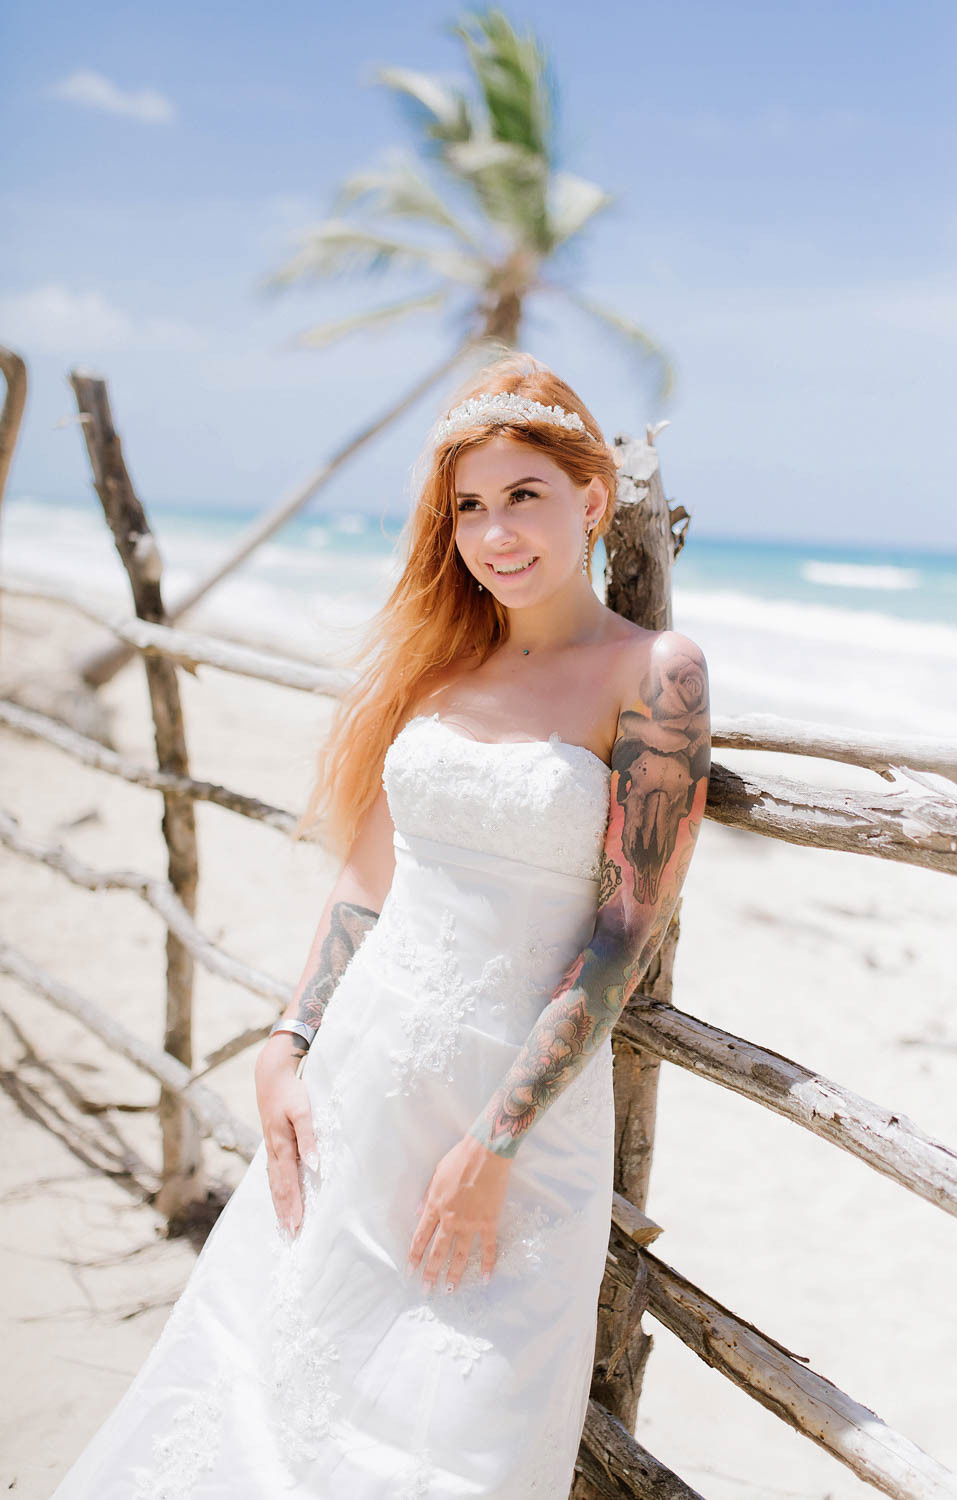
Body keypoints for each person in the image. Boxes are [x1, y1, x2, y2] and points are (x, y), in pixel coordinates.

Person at [49, 351, 710, 1499]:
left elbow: (616, 942)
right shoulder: (437, 670)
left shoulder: (653, 672)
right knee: (266, 1405)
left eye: (522, 498)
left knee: (450, 1447)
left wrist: (492, 1148)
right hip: (358, 1088)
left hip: (513, 1126)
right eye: (468, 507)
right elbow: (363, 889)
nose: (494, 534)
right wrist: (286, 1042)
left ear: (591, 500)